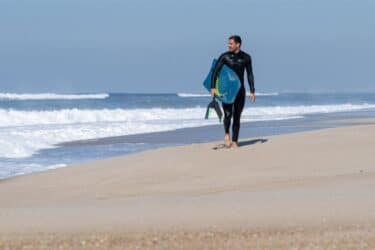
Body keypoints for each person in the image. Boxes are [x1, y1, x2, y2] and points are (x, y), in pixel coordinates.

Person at [210, 35, 255, 148]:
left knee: (237, 115)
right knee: (228, 114)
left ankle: (235, 141)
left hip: (240, 91)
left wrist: (252, 91)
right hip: (227, 91)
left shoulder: (246, 58)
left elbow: (249, 74)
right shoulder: (224, 57)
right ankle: (226, 132)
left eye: (231, 43)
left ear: (237, 44)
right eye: (228, 43)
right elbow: (215, 71)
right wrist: (213, 87)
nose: (228, 45)